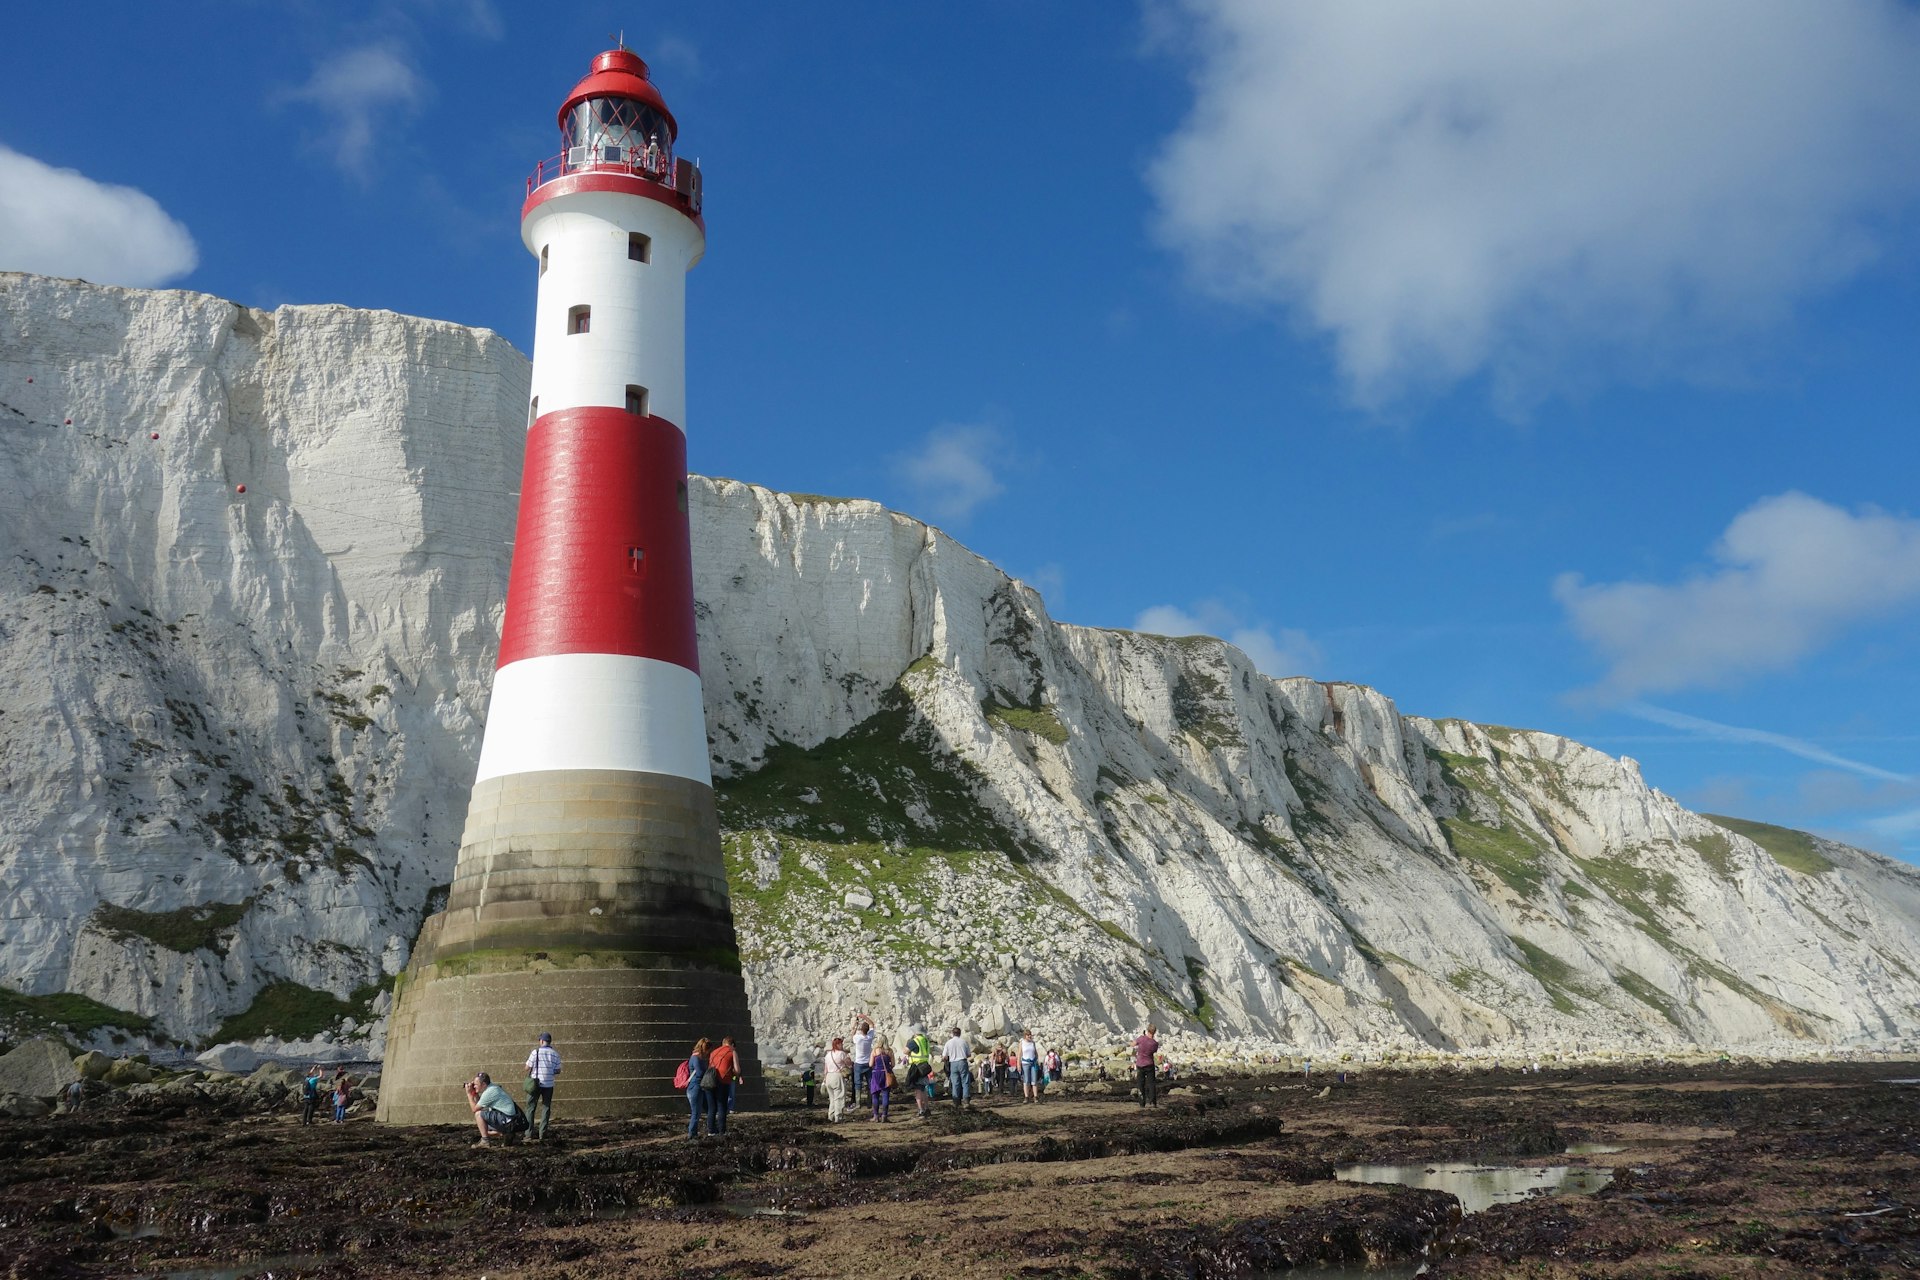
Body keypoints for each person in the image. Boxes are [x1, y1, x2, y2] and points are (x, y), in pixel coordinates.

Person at [466, 1072, 521, 1147]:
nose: (474, 1086)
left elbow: (474, 1109)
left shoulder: (489, 1092)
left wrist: (469, 1094)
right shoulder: (491, 1087)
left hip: (507, 1120)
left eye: (476, 1084)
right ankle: (505, 1133)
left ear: (484, 1084)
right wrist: (474, 1093)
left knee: (478, 1115)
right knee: (483, 1127)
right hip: (510, 1120)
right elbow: (480, 1104)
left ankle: (485, 1141)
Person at [524, 1032, 561, 1140]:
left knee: (530, 1108)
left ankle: (528, 1134)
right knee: (546, 1108)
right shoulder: (555, 1054)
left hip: (535, 1084)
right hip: (549, 1085)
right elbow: (558, 1070)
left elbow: (527, 1068)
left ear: (541, 1041)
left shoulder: (535, 1052)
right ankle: (542, 1134)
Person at [683, 1038, 716, 1138]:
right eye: (708, 1050)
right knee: (696, 1112)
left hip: (698, 1087)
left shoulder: (696, 1058)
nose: (708, 1053)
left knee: (707, 1108)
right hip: (695, 1087)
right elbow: (699, 1073)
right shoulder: (696, 1058)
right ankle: (692, 1133)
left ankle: (712, 1128)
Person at [709, 1034, 739, 1135]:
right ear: (732, 1044)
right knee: (722, 1106)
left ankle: (711, 1130)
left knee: (712, 1107)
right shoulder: (732, 1051)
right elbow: (738, 1070)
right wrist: (733, 1073)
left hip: (711, 1081)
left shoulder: (713, 1052)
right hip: (723, 1081)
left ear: (723, 1043)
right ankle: (722, 1131)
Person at [904, 1027, 934, 1118]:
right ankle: (927, 1109)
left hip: (917, 1067)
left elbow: (905, 1051)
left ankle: (921, 1110)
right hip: (925, 1066)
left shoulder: (914, 1041)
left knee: (917, 1090)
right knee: (923, 1089)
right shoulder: (925, 1040)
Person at [823, 1037, 852, 1123]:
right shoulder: (841, 1054)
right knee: (839, 1097)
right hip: (837, 1076)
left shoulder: (828, 1055)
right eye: (841, 1044)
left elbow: (825, 1069)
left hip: (829, 1076)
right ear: (838, 1044)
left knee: (832, 1098)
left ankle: (830, 1115)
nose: (842, 1045)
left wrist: (824, 1081)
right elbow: (849, 1064)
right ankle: (838, 1117)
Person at [943, 1026, 972, 1109]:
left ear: (953, 1033)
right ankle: (966, 1100)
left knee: (955, 1082)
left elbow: (944, 1056)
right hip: (962, 1061)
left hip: (953, 1063)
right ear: (960, 1033)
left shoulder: (948, 1043)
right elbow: (969, 1054)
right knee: (965, 1081)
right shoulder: (963, 1042)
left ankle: (956, 1101)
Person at [1134, 1023, 1160, 1109]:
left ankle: (1142, 1103)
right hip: (1149, 1063)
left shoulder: (1141, 1039)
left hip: (1140, 1064)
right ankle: (1153, 1102)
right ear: (1154, 1032)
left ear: (1147, 1030)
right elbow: (1153, 1051)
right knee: (1151, 1083)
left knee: (1140, 1084)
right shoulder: (1155, 1043)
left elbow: (1133, 1044)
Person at [868, 1037, 893, 1122]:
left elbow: (870, 1064)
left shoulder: (875, 1051)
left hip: (876, 1073)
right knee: (885, 1094)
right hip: (886, 1074)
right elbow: (893, 1064)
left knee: (875, 1094)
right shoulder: (889, 1051)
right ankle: (884, 1115)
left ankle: (875, 1116)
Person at [851, 1021, 874, 1099]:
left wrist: (855, 1026)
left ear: (861, 1030)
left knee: (857, 1083)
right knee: (870, 1082)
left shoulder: (858, 1038)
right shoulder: (869, 1038)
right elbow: (872, 1024)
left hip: (859, 1063)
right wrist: (864, 1017)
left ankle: (858, 1102)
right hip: (868, 1062)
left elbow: (852, 1034)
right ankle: (870, 1101)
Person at [1018, 1030, 1041, 1102]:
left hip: (1033, 1063)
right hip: (1025, 1063)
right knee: (1026, 1080)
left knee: (1034, 1080)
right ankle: (1026, 1097)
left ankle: (1035, 1096)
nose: (1030, 1036)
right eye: (1028, 1035)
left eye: (1030, 1035)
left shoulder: (1033, 1043)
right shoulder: (1022, 1043)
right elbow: (1019, 1054)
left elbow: (1036, 1053)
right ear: (1025, 1036)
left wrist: (1036, 1060)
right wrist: (1018, 1064)